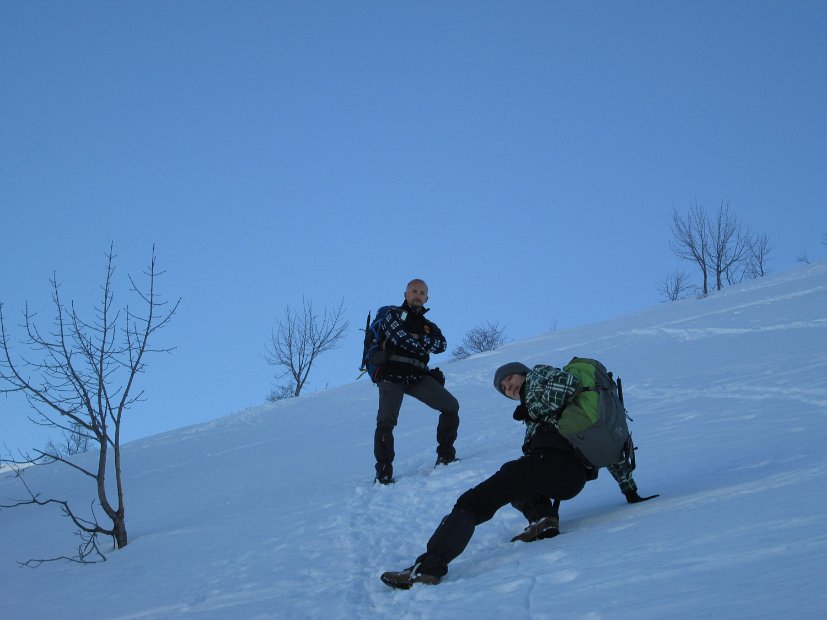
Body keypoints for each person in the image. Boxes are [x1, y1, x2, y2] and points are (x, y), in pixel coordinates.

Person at [380, 360, 657, 589]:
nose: (508, 386)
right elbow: (607, 448)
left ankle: (428, 568)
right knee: (518, 473)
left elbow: (569, 385)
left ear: (522, 373)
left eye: (510, 379)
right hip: (571, 477)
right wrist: (630, 491)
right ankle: (544, 519)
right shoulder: (541, 409)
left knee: (475, 501)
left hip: (555, 464)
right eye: (504, 388)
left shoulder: (538, 376)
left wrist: (532, 408)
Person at [372, 279, 459, 485]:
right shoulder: (392, 314)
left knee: (451, 406)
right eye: (414, 291)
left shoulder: (429, 325)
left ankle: (445, 456)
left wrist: (417, 338)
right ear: (405, 294)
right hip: (391, 373)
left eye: (421, 292)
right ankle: (384, 472)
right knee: (386, 422)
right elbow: (399, 337)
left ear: (426, 298)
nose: (417, 295)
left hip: (417, 375)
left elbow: (442, 344)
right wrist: (422, 344)